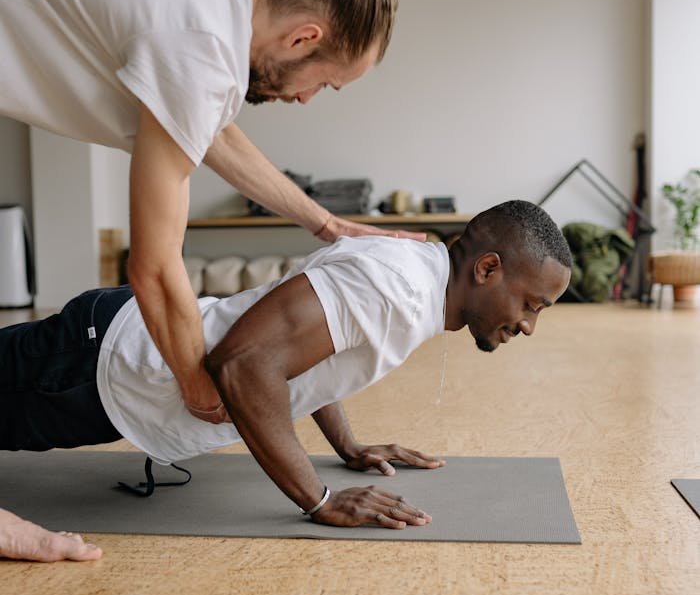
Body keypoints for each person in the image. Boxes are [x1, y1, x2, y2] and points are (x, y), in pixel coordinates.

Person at [0, 0, 422, 430]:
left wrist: (324, 222)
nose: (306, 100)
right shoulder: (202, 47)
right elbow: (153, 265)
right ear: (306, 37)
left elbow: (211, 127)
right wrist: (200, 386)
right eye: (323, 82)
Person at [0, 201, 572, 562]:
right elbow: (243, 364)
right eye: (532, 304)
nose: (527, 325)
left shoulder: (416, 281)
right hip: (103, 361)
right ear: (488, 268)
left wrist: (346, 445)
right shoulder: (399, 289)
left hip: (117, 354)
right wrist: (317, 499)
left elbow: (312, 353)